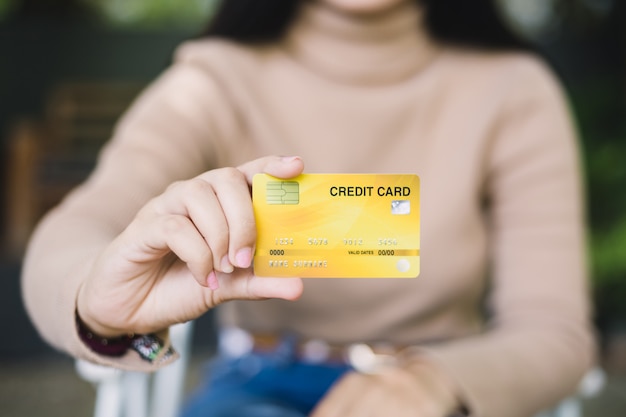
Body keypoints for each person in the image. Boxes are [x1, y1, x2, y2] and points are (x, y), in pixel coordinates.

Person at [22, 0, 595, 416]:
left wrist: (434, 383)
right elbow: (77, 230)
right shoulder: (211, 83)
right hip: (258, 386)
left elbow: (555, 331)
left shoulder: (515, 91)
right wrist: (96, 304)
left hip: (448, 389)